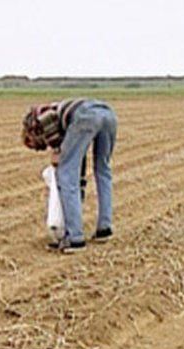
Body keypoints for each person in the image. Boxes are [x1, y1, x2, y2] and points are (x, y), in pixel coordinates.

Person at [22, 98, 117, 253]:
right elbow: (78, 158)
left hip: (85, 115)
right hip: (108, 114)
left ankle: (75, 238)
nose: (38, 147)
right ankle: (104, 228)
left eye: (32, 144)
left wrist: (58, 157)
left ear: (31, 132)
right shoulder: (58, 116)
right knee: (103, 169)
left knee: (65, 174)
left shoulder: (41, 118)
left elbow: (61, 159)